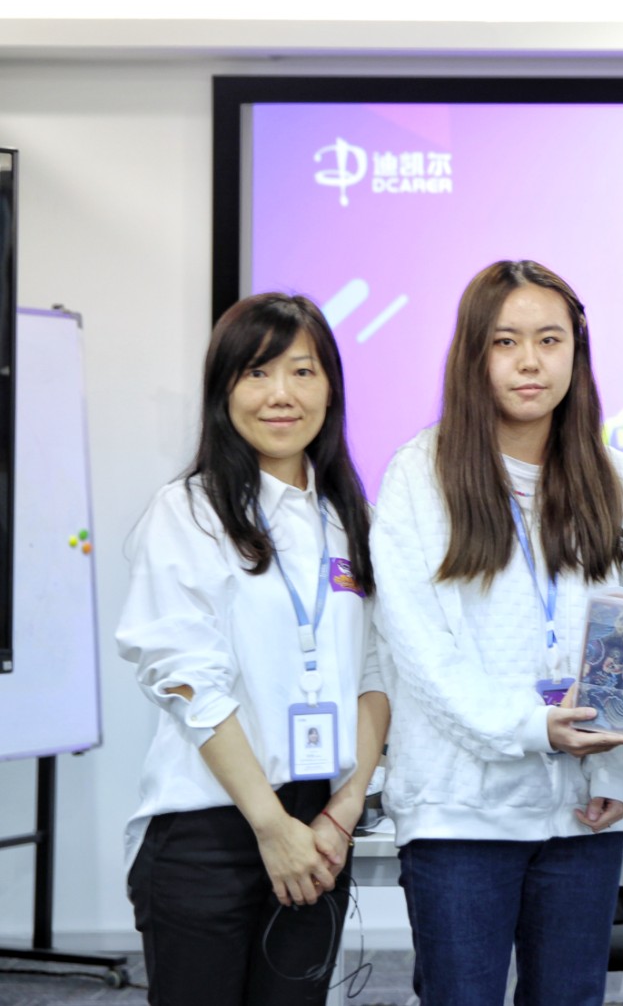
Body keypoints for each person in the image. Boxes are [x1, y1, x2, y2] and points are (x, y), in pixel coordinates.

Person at [370, 260, 623, 1006]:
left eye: (549, 340)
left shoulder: (616, 479)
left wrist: (615, 772)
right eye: (506, 341)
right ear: (474, 354)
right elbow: (419, 651)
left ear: (575, 353)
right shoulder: (420, 475)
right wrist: (531, 727)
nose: (530, 361)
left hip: (581, 811)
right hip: (460, 810)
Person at [120, 293, 389, 1006]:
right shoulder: (189, 512)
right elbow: (186, 678)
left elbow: (374, 674)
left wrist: (343, 813)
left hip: (321, 824)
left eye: (302, 372)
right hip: (211, 826)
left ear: (330, 389)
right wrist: (270, 826)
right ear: (224, 390)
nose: (281, 395)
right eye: (257, 373)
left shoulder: (351, 519)